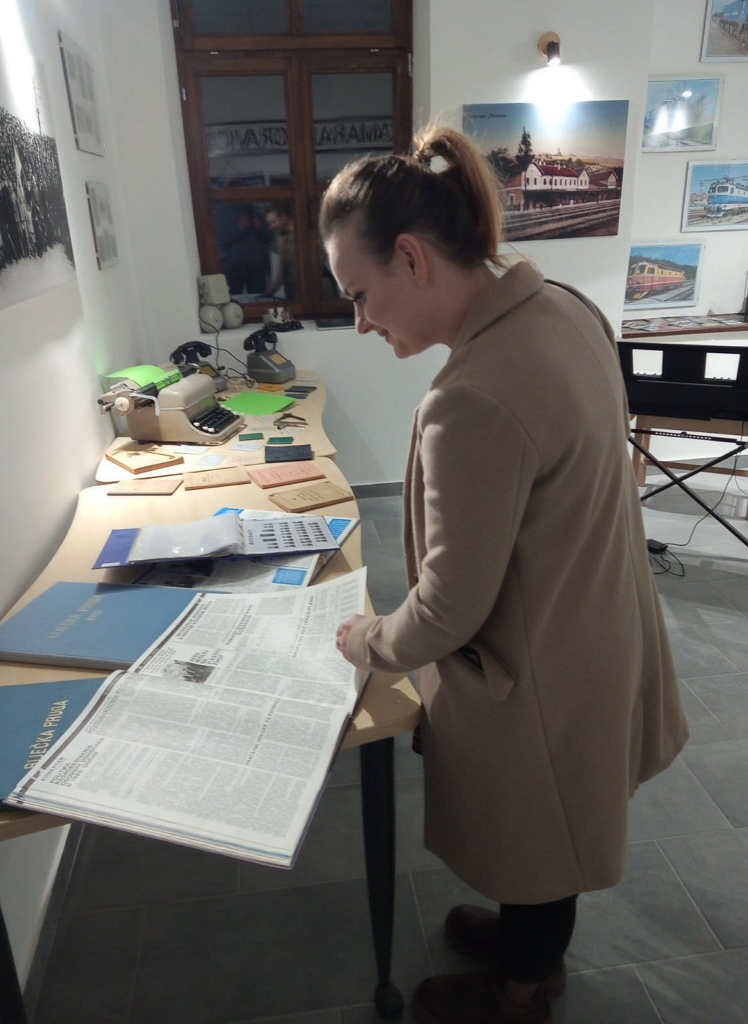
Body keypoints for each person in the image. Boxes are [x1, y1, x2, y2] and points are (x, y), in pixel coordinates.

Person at [320, 125, 689, 1024]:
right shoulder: (564, 308)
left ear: (412, 258)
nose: (361, 323)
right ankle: (529, 942)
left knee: (539, 830)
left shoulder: (473, 397)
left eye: (359, 295)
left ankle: (522, 993)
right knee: (550, 827)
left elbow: (448, 607)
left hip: (544, 661)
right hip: (597, 626)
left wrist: (369, 640)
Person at [265, 201, 297, 300]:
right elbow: (283, 270)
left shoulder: (305, 238)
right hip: (292, 294)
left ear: (283, 218)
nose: (271, 227)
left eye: (273, 222)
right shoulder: (282, 238)